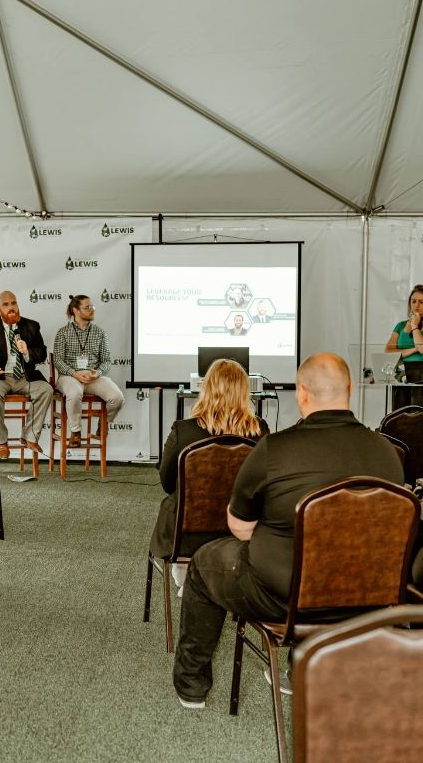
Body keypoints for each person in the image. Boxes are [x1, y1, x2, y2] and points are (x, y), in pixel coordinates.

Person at [172, 353, 403, 709]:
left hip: (282, 596)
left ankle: (192, 687)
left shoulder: (274, 449)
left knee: (204, 563)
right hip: (364, 595)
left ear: (302, 393)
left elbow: (238, 526)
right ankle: (300, 672)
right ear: (351, 390)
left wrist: (273, 539)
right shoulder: (387, 453)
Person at [151, 359, 269, 592]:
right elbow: (264, 486)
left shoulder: (183, 431)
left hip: (186, 536)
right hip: (240, 531)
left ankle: (190, 579)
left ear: (206, 389)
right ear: (244, 392)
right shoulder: (260, 432)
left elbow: (167, 484)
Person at [0, 291, 53, 458]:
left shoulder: (31, 326)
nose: (11, 308)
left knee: (46, 390)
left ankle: (30, 436)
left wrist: (27, 352)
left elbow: (42, 353)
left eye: (13, 303)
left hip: (24, 377)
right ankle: (2, 442)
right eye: (6, 304)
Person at [52, 294, 125, 447]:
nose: (92, 310)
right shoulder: (63, 332)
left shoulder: (100, 332)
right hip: (69, 376)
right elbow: (57, 360)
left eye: (92, 306)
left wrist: (98, 373)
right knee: (74, 392)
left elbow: (106, 361)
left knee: (117, 397)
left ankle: (104, 422)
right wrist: (74, 373)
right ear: (75, 311)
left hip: (93, 377)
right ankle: (76, 432)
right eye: (87, 307)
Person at [385, 283, 423, 409]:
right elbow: (389, 351)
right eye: (413, 301)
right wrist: (414, 349)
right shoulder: (400, 325)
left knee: (418, 411)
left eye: (421, 302)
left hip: (421, 373)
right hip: (402, 371)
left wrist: (414, 326)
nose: (416, 305)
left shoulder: (414, 325)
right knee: (399, 410)